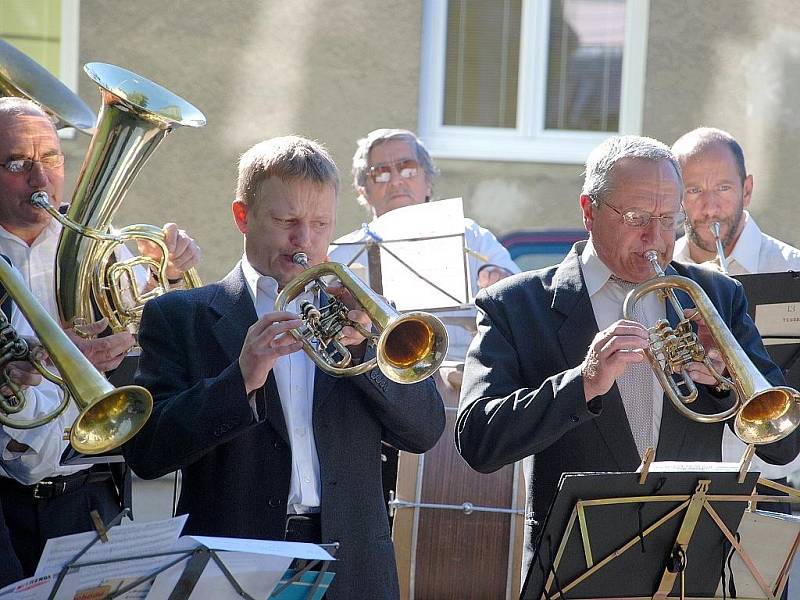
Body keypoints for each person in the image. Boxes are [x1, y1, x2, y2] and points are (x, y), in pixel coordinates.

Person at [455, 135, 800, 578]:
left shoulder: (717, 295)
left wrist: (726, 382)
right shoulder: (516, 305)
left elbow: (783, 443)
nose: (655, 238)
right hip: (573, 568)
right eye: (636, 217)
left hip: (690, 569)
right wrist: (583, 382)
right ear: (588, 211)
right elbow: (478, 442)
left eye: (667, 218)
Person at [124, 135, 445, 600]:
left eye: (320, 224)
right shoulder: (181, 316)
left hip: (353, 566)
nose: (305, 242)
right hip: (233, 561)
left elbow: (425, 431)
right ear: (242, 217)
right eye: (286, 221)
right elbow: (148, 454)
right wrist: (241, 380)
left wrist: (363, 354)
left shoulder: (364, 314)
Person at [0, 96, 201, 576]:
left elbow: (142, 332)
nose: (40, 177)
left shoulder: (99, 246)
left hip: (86, 500)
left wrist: (168, 281)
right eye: (17, 163)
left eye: (51, 158)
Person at [672, 127, 800, 486]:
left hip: (773, 478)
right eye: (693, 190)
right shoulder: (663, 278)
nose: (709, 207)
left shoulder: (790, 271)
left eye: (723, 189)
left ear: (747, 189)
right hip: (685, 476)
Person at [328, 128, 520, 359]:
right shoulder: (341, 256)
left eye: (408, 168)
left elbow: (520, 303)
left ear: (428, 182)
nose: (397, 180)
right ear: (364, 192)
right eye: (381, 173)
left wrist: (500, 280)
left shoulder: (473, 236)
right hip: (381, 378)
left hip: (466, 369)